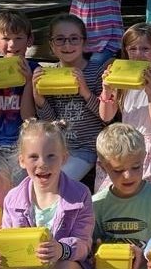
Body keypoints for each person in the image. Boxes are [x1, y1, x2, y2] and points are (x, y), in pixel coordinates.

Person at [0, 119, 94, 269]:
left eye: (51, 156)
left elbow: (83, 244)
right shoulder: (13, 198)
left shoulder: (80, 195)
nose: (43, 163)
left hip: (60, 263)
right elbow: (6, 239)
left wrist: (61, 249)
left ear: (64, 158)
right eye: (34, 157)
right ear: (22, 161)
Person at [97, 23, 151, 189]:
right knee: (109, 187)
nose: (138, 54)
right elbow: (106, 116)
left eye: (145, 49)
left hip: (150, 147)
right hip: (124, 143)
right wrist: (107, 90)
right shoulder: (122, 81)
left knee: (144, 185)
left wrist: (150, 92)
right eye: (133, 49)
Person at [33, 14, 112, 181]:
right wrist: (39, 98)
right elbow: (51, 122)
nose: (67, 45)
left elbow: (105, 118)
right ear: (52, 45)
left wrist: (85, 91)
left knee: (57, 180)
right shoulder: (49, 74)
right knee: (31, 179)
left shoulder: (97, 72)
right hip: (57, 148)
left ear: (84, 43)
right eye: (60, 39)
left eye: (74, 39)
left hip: (87, 148)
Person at [92, 123, 151, 269]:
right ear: (103, 167)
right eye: (118, 170)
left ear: (144, 158)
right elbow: (93, 246)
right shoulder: (96, 204)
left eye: (135, 167)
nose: (128, 176)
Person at [0, 10, 39, 183]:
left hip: (23, 144)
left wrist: (28, 83)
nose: (12, 44)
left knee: (17, 183)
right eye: (6, 38)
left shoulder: (35, 70)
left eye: (19, 38)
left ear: (29, 40)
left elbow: (29, 118)